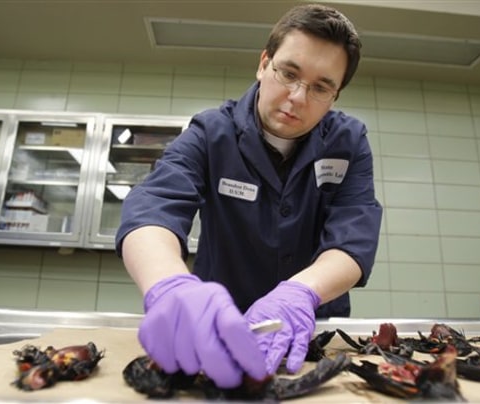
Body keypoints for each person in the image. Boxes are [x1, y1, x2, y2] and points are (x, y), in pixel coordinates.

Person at [115, 3, 382, 389]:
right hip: (216, 325)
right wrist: (169, 284)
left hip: (307, 328)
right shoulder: (211, 131)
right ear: (263, 63)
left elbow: (355, 235)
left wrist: (300, 293)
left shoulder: (349, 141)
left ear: (336, 94)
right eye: (288, 73)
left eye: (321, 87)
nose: (297, 97)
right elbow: (154, 206)